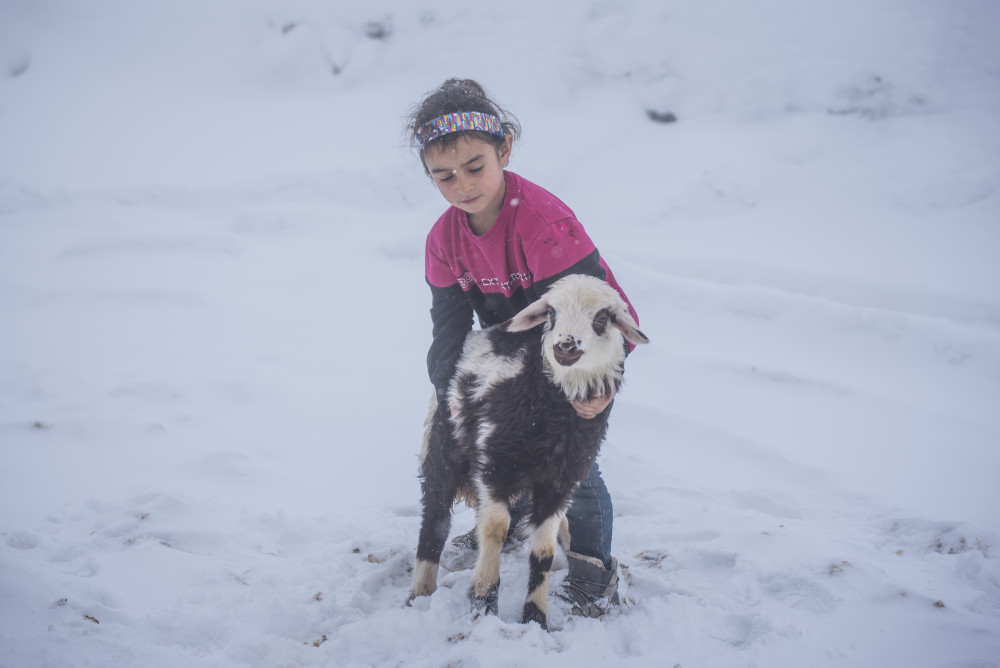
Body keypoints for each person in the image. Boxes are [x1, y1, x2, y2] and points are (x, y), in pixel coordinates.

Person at [405, 78, 641, 618]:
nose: (461, 185)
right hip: (513, 357)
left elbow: (593, 316)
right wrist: (449, 391)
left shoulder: (543, 224)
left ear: (504, 149)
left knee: (569, 470)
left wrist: (599, 389)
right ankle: (505, 526)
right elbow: (448, 323)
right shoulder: (443, 239)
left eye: (474, 167)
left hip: (581, 356)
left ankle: (593, 570)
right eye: (443, 176)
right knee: (498, 449)